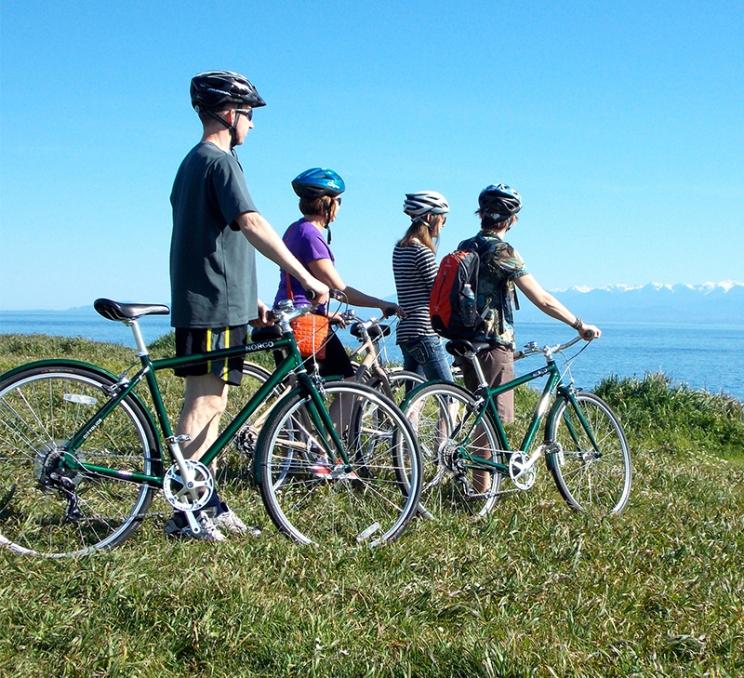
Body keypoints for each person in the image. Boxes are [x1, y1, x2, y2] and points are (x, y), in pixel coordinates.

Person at [168, 71, 329, 541]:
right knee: (204, 399)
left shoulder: (192, 164)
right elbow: (251, 223)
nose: (253, 125)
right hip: (212, 303)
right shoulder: (219, 162)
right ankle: (185, 512)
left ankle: (206, 503)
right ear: (228, 114)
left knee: (214, 400)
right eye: (250, 114)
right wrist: (304, 275)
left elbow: (208, 240)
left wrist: (249, 297)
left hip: (221, 298)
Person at [457, 183, 601, 422]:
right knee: (496, 421)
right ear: (513, 220)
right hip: (492, 342)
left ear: (480, 214)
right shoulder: (502, 250)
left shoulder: (465, 246)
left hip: (464, 337)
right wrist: (579, 325)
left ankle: (468, 457)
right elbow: (542, 299)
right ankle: (483, 459)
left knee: (479, 412)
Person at [272, 167, 401, 380]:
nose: (340, 207)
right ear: (328, 204)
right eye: (339, 201)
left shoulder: (294, 230)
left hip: (289, 315)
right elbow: (339, 289)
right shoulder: (311, 236)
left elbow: (302, 284)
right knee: (348, 385)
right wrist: (381, 303)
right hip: (305, 324)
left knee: (301, 393)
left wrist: (329, 314)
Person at [392, 191, 453, 383]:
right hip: (424, 330)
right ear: (430, 217)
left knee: (414, 395)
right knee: (449, 392)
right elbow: (438, 293)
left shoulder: (400, 249)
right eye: (442, 219)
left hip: (406, 331)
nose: (444, 225)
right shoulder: (421, 252)